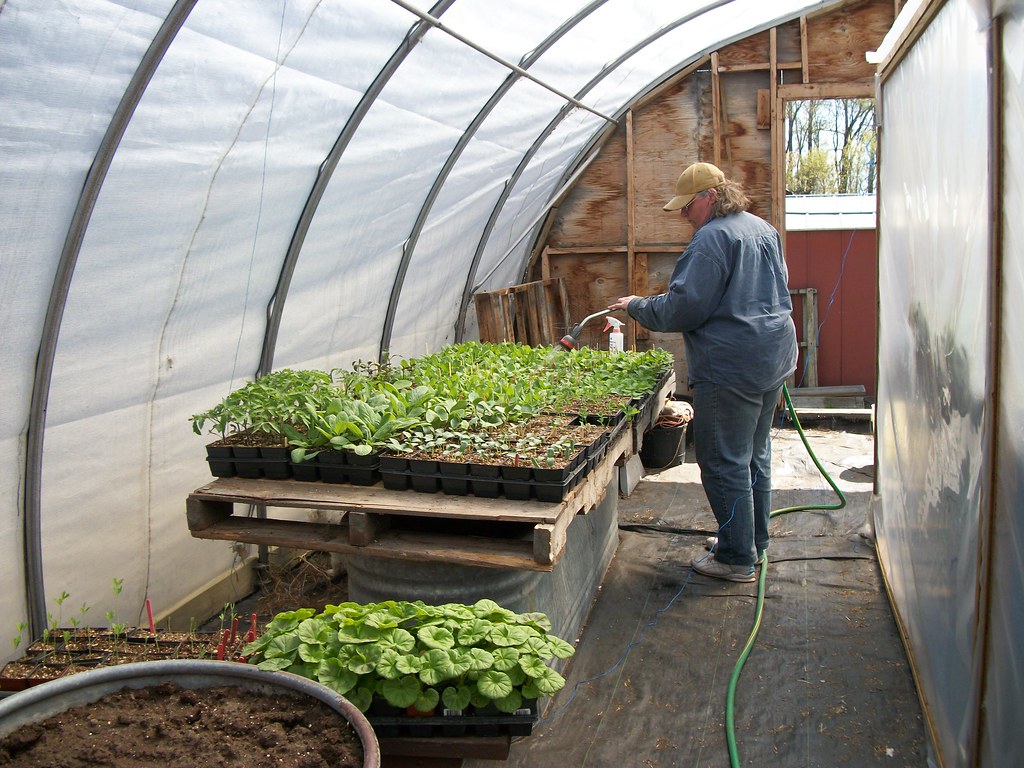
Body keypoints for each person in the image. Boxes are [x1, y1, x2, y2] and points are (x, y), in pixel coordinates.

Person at [608, 162, 797, 583]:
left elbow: (683, 309)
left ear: (711, 197)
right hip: (773, 357)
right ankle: (751, 542)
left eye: (687, 205)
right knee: (754, 453)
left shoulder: (711, 239)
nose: (683, 214)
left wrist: (637, 305)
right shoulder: (763, 229)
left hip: (732, 366)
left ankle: (735, 558)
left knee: (723, 460)